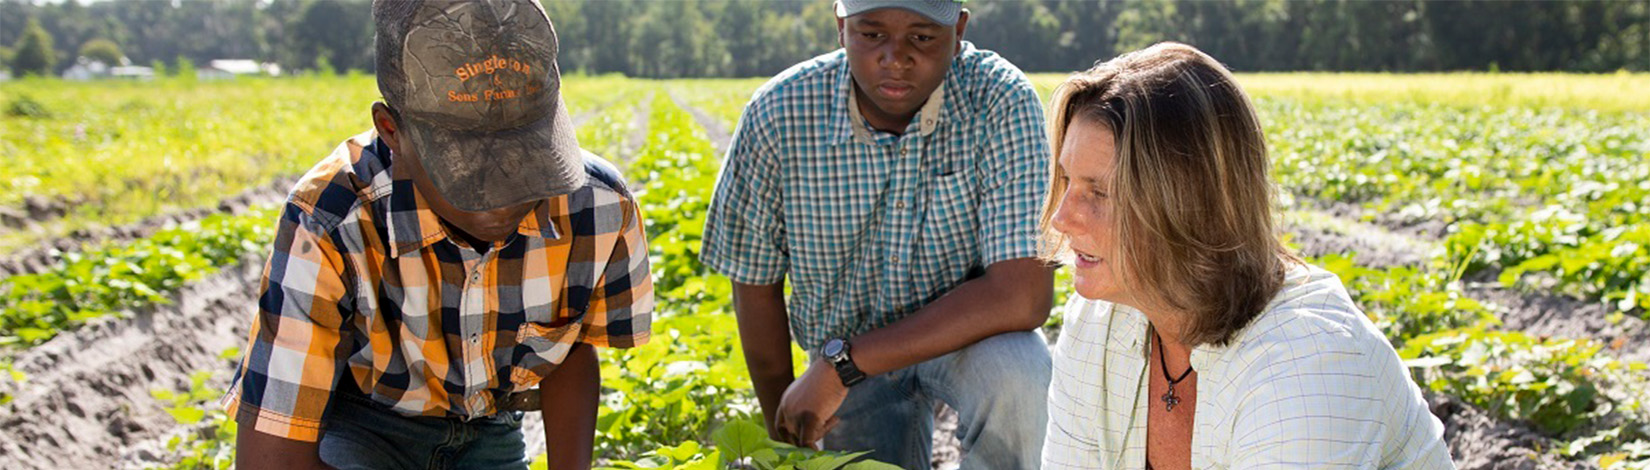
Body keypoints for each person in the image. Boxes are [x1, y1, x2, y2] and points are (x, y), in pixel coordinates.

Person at [223, 1, 653, 469]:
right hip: (365, 424)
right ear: (392, 131)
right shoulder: (330, 221)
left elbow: (571, 354)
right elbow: (272, 458)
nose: (503, 198)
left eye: (526, 161)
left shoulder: (596, 207)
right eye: (470, 170)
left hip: (491, 426)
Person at [1038, 42, 1454, 469]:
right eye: (1067, 181)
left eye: (1100, 193)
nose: (1062, 218)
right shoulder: (1099, 322)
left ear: (1188, 204)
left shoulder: (1306, 361)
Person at [702, 0, 1055, 467]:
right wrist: (788, 444)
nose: (896, 57)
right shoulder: (779, 114)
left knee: (1021, 373)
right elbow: (755, 286)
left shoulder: (999, 98)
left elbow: (1022, 296)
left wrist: (844, 363)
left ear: (959, 30)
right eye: (872, 35)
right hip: (846, 362)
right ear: (840, 27)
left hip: (961, 340)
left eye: (922, 37)